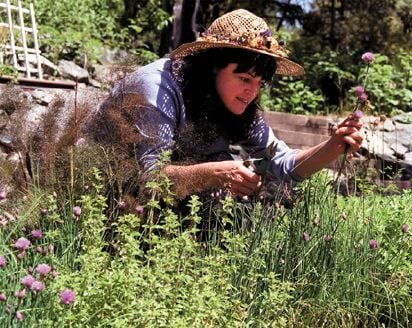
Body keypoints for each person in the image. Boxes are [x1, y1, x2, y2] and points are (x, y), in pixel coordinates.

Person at [101, 9, 363, 200]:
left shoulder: (239, 102)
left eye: (260, 82)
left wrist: (333, 146)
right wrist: (214, 173)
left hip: (162, 195)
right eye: (244, 78)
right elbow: (150, 178)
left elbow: (279, 161)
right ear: (213, 66)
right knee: (219, 163)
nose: (252, 91)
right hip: (104, 185)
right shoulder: (157, 89)